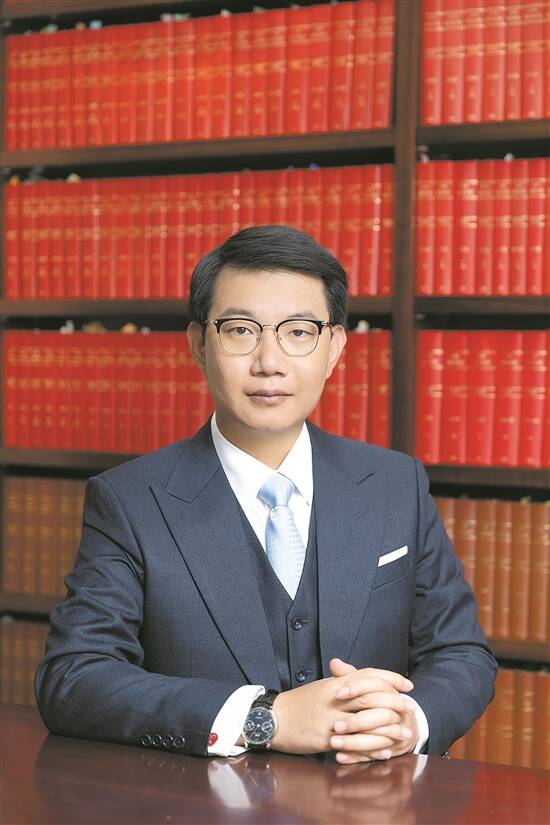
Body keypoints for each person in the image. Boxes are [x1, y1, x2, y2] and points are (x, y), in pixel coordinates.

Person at [35, 225, 497, 764]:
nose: (269, 362)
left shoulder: (396, 484)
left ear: (334, 348)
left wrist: (408, 722)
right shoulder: (130, 499)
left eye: (299, 332)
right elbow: (73, 677)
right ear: (199, 343)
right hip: (205, 801)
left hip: (371, 797)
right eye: (240, 330)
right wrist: (264, 718)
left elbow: (461, 652)